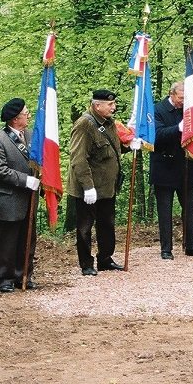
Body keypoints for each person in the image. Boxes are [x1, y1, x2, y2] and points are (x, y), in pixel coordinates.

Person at [67, 89, 126, 276]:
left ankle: (105, 259)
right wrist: (88, 186)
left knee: (107, 224)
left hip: (107, 186)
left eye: (113, 104)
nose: (114, 107)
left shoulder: (108, 124)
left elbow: (110, 150)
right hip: (88, 188)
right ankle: (86, 264)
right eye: (110, 104)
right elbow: (78, 158)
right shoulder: (84, 124)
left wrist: (129, 146)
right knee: (85, 227)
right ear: (96, 105)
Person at [0, 98, 41, 292]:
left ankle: (24, 274)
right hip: (7, 199)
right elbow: (0, 171)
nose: (29, 116)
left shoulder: (31, 135)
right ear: (15, 119)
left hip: (28, 198)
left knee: (27, 240)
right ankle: (4, 279)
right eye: (26, 113)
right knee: (7, 242)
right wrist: (25, 180)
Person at [150, 81, 193, 259]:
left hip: (187, 166)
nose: (183, 102)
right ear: (172, 94)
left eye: (186, 98)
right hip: (164, 167)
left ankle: (192, 245)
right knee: (165, 211)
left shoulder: (190, 110)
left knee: (190, 209)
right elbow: (156, 136)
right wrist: (178, 128)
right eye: (181, 98)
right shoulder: (157, 110)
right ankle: (166, 248)